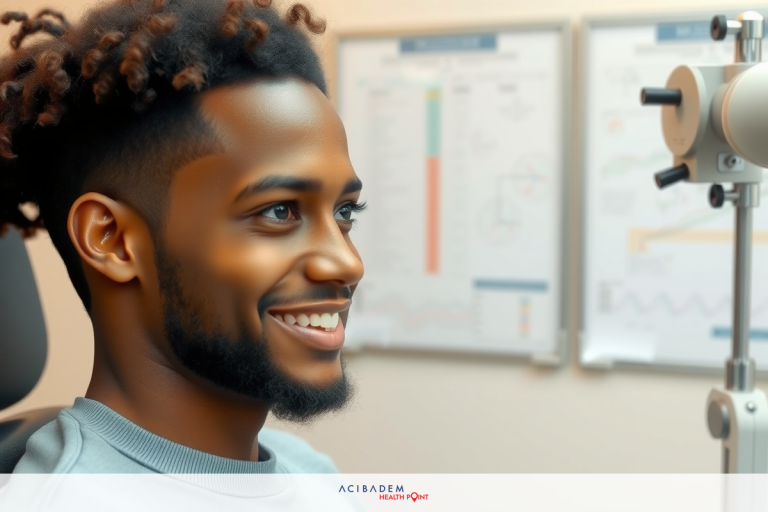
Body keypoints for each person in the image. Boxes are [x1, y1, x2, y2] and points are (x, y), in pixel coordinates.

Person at [0, 0, 365, 476]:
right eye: (279, 211)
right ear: (110, 240)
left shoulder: (310, 471)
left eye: (344, 212)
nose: (347, 263)